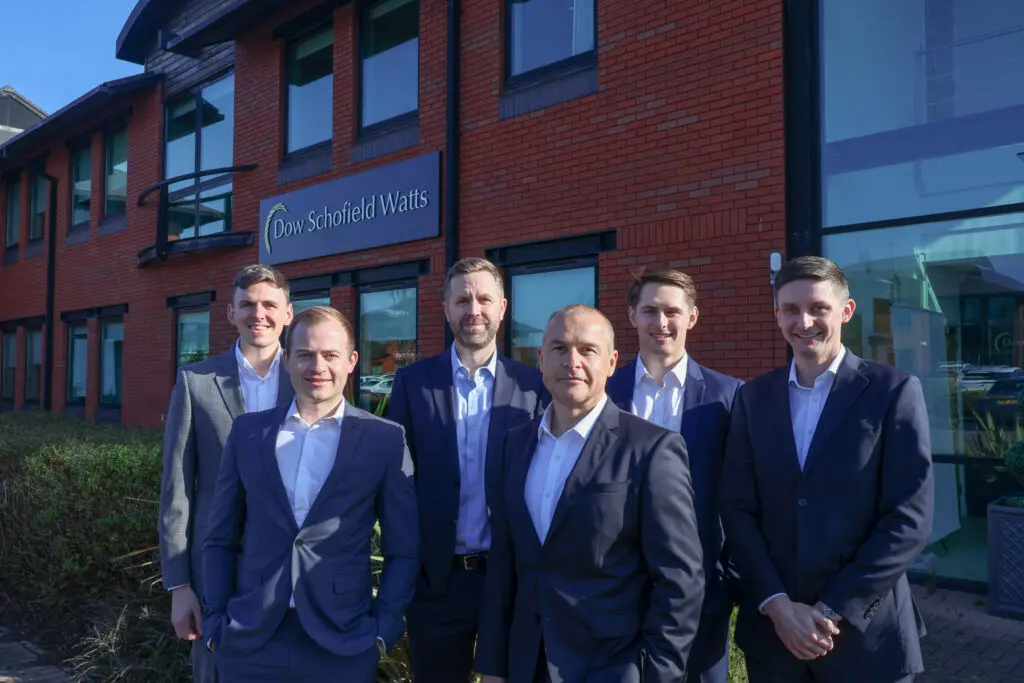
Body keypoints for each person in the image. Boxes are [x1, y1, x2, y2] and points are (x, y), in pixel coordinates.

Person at [720, 256, 934, 683]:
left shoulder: (893, 392)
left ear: (846, 311)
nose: (805, 321)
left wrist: (830, 611)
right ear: (777, 314)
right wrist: (778, 606)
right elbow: (737, 509)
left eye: (818, 307)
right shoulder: (753, 398)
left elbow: (908, 518)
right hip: (774, 640)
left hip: (866, 638)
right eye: (791, 309)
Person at [476, 304, 705, 683]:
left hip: (612, 666)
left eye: (587, 350)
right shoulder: (513, 445)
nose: (572, 361)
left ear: (612, 362)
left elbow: (681, 578)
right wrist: (493, 667)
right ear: (541, 359)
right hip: (525, 663)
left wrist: (658, 673)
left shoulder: (651, 449)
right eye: (560, 349)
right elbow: (505, 562)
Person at [201, 306, 418, 682]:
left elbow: (404, 548)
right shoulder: (249, 433)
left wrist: (382, 632)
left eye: (330, 355)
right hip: (251, 641)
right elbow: (220, 536)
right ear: (287, 360)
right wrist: (217, 622)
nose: (317, 366)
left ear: (351, 361)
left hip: (342, 645)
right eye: (305, 354)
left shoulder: (385, 439)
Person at [386, 257, 546, 683]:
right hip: (439, 581)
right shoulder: (412, 383)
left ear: (502, 307)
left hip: (510, 577)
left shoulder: (534, 387)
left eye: (484, 299)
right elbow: (398, 485)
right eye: (462, 300)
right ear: (446, 309)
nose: (473, 309)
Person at [159, 264, 296, 683]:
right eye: (248, 304)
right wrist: (179, 586)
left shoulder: (308, 377)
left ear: (288, 313)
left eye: (270, 304)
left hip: (289, 571)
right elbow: (177, 490)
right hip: (214, 571)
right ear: (231, 314)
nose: (260, 314)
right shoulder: (196, 382)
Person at [606, 268, 742, 683]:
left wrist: (729, 578)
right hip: (617, 586)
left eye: (672, 311)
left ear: (692, 317)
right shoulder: (605, 391)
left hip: (702, 592)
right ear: (631, 316)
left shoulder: (728, 396)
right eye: (649, 310)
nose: (660, 323)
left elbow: (742, 493)